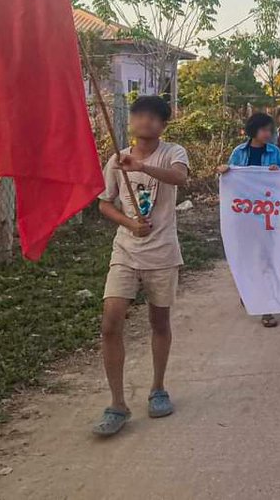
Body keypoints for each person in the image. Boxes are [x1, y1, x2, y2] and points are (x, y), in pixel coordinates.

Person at [93, 95, 189, 437]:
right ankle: (117, 404)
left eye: (154, 117)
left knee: (158, 322)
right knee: (110, 322)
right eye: (139, 115)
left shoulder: (173, 152)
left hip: (162, 253)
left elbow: (179, 179)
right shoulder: (115, 160)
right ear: (131, 121)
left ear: (163, 125)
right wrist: (129, 224)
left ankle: (158, 388)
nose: (145, 121)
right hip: (126, 251)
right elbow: (105, 204)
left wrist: (142, 167)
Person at [219, 112, 280, 327]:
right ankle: (249, 292)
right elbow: (230, 180)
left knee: (266, 257)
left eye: (270, 130)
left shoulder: (274, 152)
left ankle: (266, 306)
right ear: (254, 130)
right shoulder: (239, 152)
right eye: (264, 129)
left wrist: (279, 173)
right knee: (246, 256)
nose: (268, 134)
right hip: (244, 214)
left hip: (267, 213)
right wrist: (224, 171)